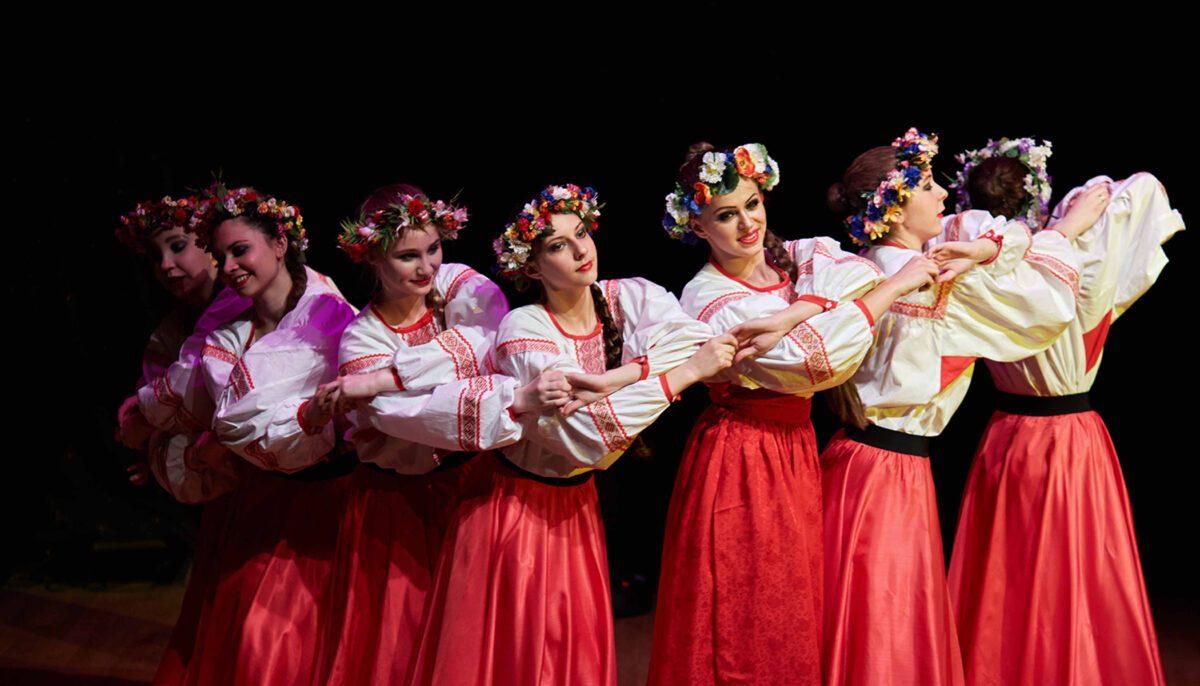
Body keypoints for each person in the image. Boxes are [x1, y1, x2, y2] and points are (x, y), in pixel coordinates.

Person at [407, 184, 735, 686]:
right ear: (533, 268)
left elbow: (691, 336)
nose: (582, 250)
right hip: (513, 513)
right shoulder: (525, 328)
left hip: (576, 506)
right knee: (512, 658)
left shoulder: (628, 297)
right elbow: (589, 435)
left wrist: (616, 378)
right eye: (559, 245)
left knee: (568, 653)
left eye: (581, 233)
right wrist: (680, 375)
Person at [647, 141, 941, 686]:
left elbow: (854, 272)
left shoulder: (798, 256)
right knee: (742, 610)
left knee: (790, 606)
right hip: (742, 455)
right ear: (700, 228)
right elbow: (814, 361)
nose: (746, 224)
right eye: (726, 215)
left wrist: (796, 313)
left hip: (795, 450)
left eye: (752, 205)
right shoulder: (706, 297)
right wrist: (893, 286)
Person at [819, 128, 1105, 686]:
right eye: (926, 185)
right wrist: (1064, 232)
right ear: (897, 207)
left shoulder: (868, 265)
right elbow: (1043, 308)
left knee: (861, 621)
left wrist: (982, 247)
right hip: (887, 476)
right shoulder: (933, 282)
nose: (943, 195)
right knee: (885, 628)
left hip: (854, 465)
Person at [309, 184, 569, 685]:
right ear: (372, 258)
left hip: (473, 490)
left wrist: (387, 375)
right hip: (396, 505)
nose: (427, 267)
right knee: (399, 642)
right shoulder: (362, 338)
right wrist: (420, 376)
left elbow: (492, 342)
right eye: (408, 256)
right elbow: (413, 414)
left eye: (432, 249)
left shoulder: (458, 288)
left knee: (470, 649)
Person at [947, 138, 1183, 686]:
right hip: (1067, 438)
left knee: (1013, 574)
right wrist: (1072, 212)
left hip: (1007, 437)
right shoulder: (1075, 259)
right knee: (1068, 573)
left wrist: (1054, 222)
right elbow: (1142, 191)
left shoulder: (977, 265)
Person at [183, 184, 357, 686]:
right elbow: (236, 421)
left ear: (280, 244)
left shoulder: (332, 317)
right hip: (263, 500)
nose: (231, 265)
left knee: (326, 641)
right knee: (260, 638)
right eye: (221, 256)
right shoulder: (225, 340)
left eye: (241, 249)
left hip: (335, 499)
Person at [113, 194, 248, 686]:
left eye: (178, 247)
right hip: (223, 487)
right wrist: (154, 446)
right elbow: (160, 401)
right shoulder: (174, 327)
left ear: (210, 247)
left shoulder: (245, 303)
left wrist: (150, 427)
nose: (167, 266)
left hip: (271, 480)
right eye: (156, 256)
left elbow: (182, 398)